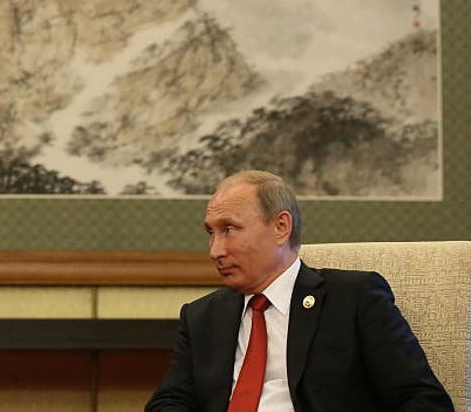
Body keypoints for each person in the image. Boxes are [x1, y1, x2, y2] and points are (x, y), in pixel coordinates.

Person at [145, 169, 452, 411]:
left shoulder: (353, 299)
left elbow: (422, 401)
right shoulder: (202, 316)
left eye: (229, 229)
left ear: (281, 227)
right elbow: (169, 402)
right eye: (210, 233)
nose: (215, 250)